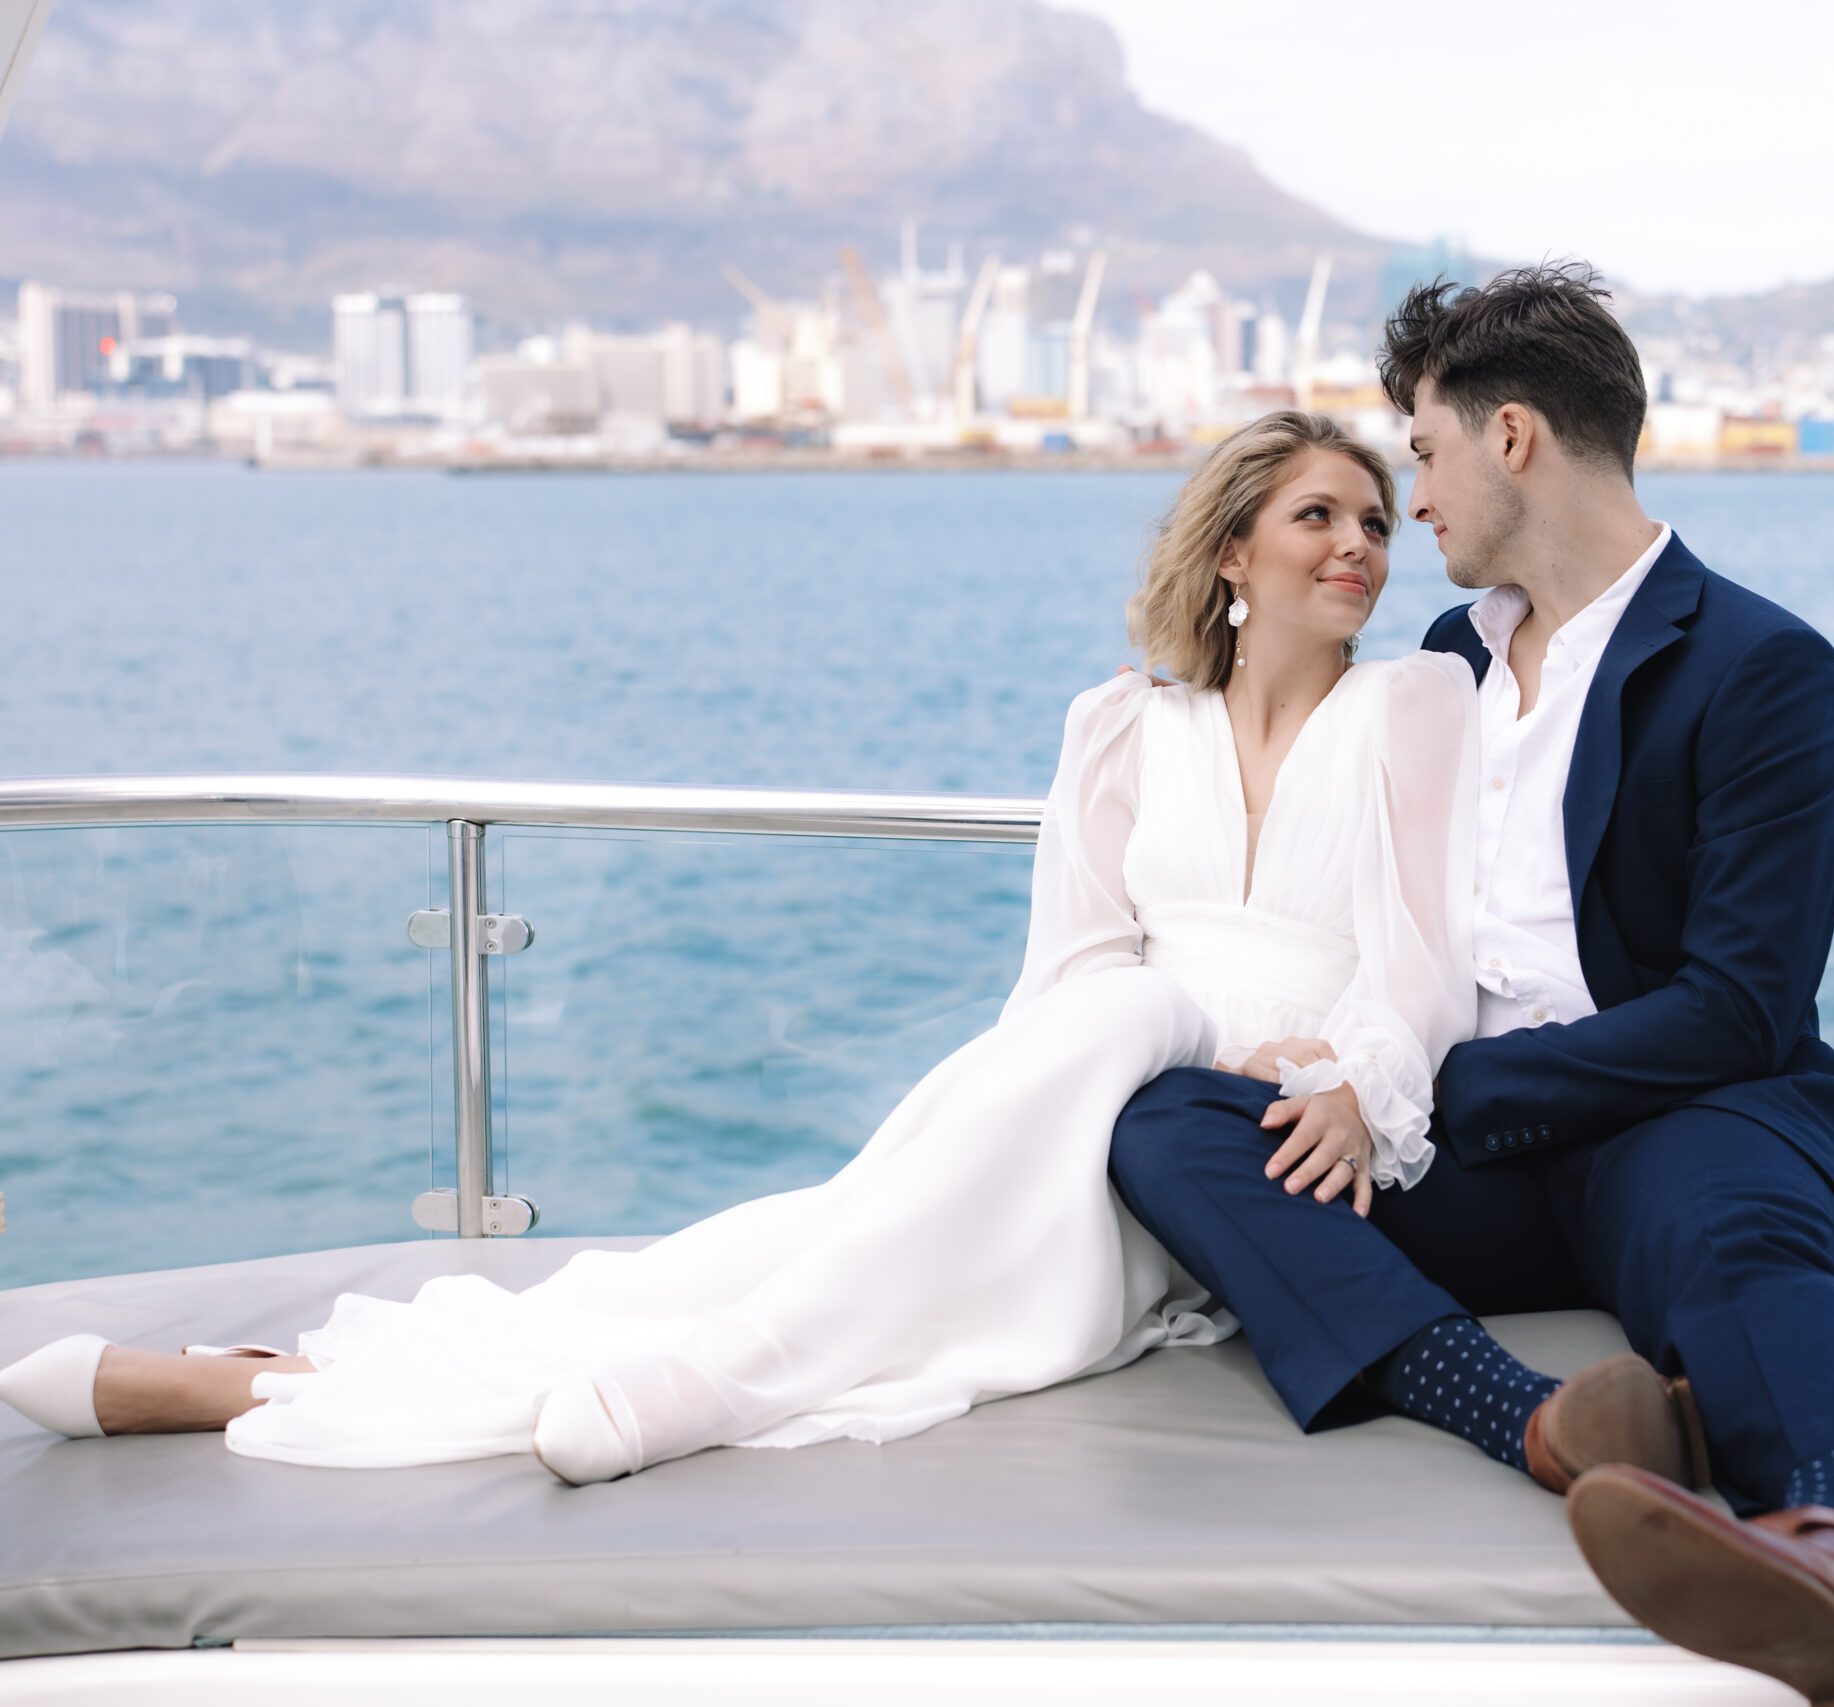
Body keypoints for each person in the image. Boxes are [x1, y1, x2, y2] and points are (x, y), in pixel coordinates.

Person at [0, 411, 1485, 1487]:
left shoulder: (1410, 705)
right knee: (780, 1242)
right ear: (1232, 548)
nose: (1361, 544)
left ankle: (679, 1379)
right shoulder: (1120, 726)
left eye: (1373, 518)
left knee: (884, 1246)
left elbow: (1420, 965)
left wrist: (1354, 1083)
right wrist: (1149, 1045)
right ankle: (263, 1382)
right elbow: (1069, 976)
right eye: (1318, 515)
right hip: (1093, 1092)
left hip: (1262, 1134)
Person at [1107, 267, 1834, 1707]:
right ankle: (1548, 1426)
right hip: (1470, 1157)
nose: (1412, 507)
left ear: (1512, 437)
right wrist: (1342, 1064)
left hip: (1682, 1106)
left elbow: (1741, 1006)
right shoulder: (1441, 662)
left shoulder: (1762, 666)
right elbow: (1378, 914)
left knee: (1734, 1245)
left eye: (1424, 455)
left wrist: (1421, 1094)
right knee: (1174, 1125)